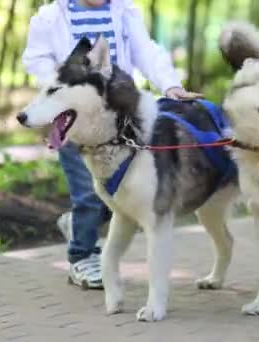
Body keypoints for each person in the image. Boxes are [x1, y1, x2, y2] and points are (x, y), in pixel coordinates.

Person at [22, 0, 201, 289]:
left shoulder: (123, 11)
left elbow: (147, 52)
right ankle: (82, 256)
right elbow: (35, 58)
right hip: (75, 118)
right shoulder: (50, 17)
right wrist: (61, 79)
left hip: (118, 117)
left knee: (117, 189)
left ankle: (77, 225)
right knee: (89, 195)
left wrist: (170, 85)